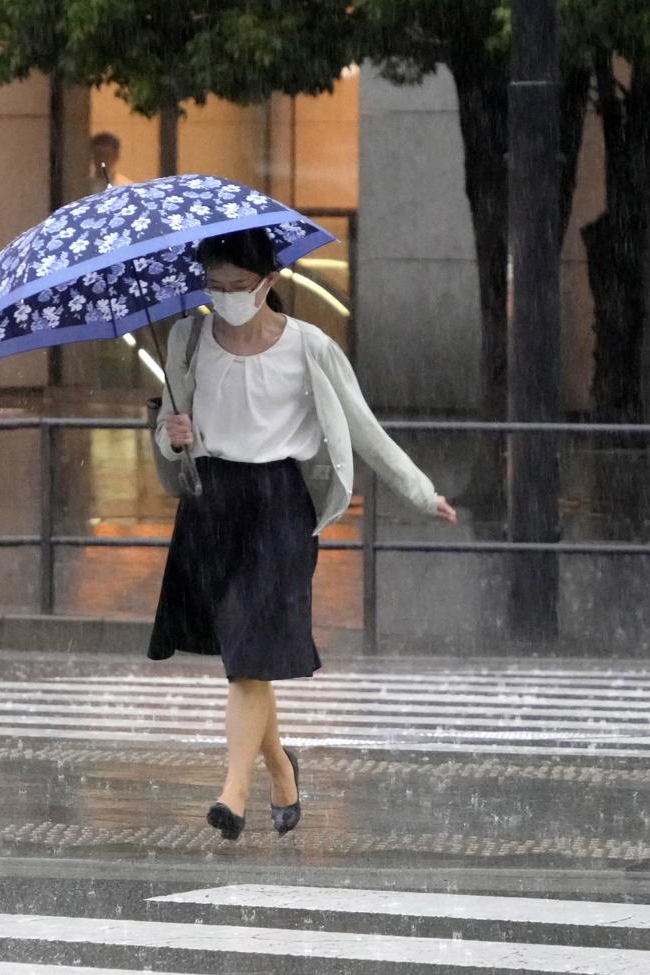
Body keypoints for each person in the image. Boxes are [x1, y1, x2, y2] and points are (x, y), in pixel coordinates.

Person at [147, 227, 458, 841]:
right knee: (247, 655)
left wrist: (421, 491)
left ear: (269, 281)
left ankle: (232, 796)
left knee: (247, 656)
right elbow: (166, 424)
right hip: (213, 504)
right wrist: (172, 435)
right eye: (215, 287)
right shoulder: (186, 339)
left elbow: (363, 427)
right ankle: (282, 771)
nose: (228, 297)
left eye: (240, 285)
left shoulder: (308, 347)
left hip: (280, 506)